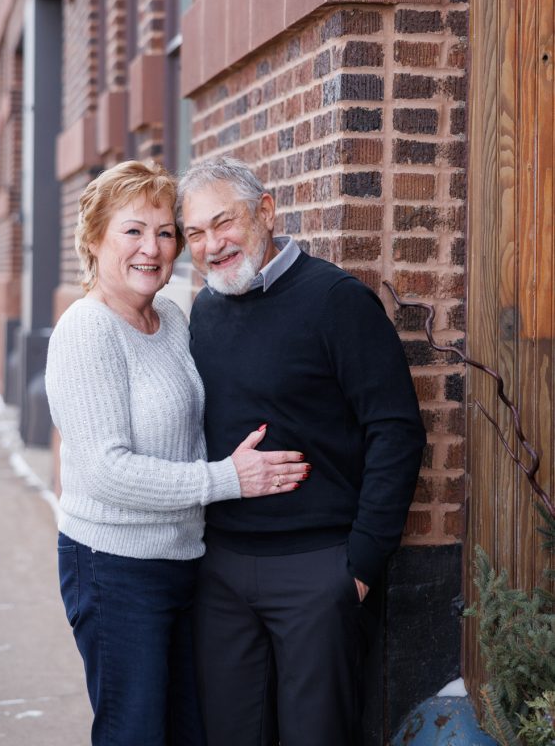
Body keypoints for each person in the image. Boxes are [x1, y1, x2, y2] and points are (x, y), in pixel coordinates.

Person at [44, 160, 309, 746]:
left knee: (190, 729)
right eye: (133, 231)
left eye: (165, 232)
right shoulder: (87, 331)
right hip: (115, 568)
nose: (153, 247)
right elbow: (107, 471)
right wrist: (227, 480)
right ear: (93, 241)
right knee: (135, 731)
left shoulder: (169, 319)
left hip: (185, 561)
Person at [176, 156, 427, 746]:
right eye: (195, 233)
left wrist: (360, 566)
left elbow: (396, 430)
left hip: (318, 571)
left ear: (265, 212)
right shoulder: (204, 311)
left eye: (224, 223)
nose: (212, 245)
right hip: (222, 572)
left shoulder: (335, 300)